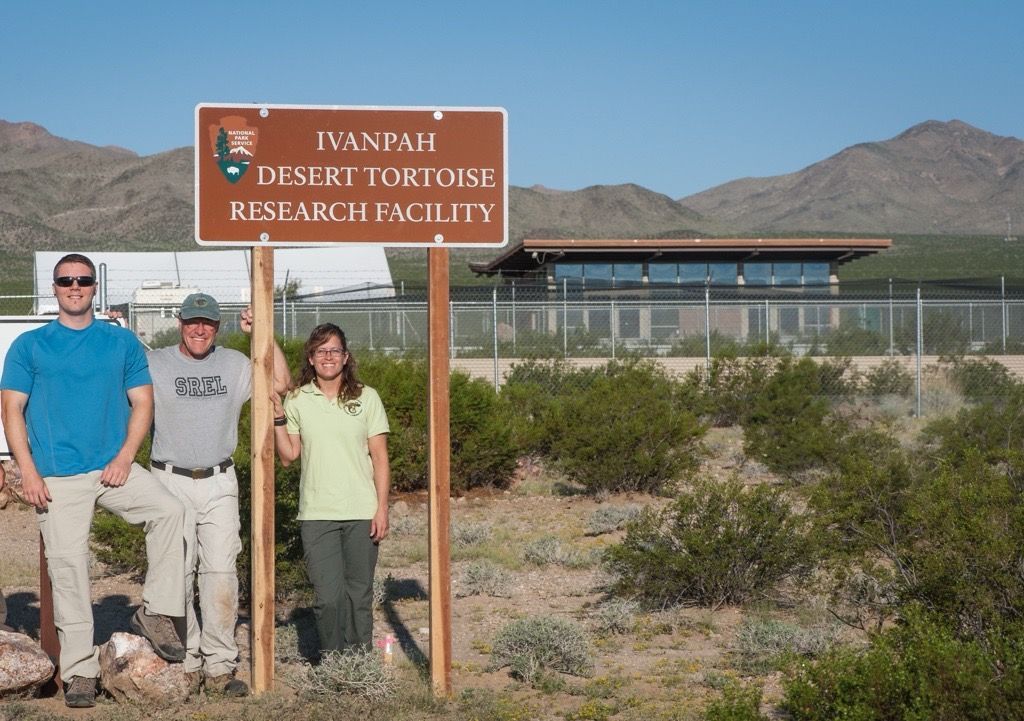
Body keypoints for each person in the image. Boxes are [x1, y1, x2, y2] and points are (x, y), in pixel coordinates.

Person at [0, 253, 186, 709]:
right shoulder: (30, 345)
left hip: (111, 469)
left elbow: (143, 403)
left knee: (170, 511)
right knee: (69, 573)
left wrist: (125, 456)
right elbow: (12, 410)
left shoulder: (118, 342)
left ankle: (156, 611)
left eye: (83, 279)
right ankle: (80, 672)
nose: (75, 286)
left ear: (94, 287)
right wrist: (27, 470)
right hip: (57, 477)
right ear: (55, 287)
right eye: (66, 281)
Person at [146, 293, 289, 697]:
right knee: (178, 572)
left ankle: (220, 666)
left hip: (219, 481)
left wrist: (263, 332)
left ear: (217, 327)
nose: (199, 329)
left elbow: (280, 383)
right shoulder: (155, 363)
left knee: (220, 574)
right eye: (192, 321)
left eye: (207, 323)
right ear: (180, 322)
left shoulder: (233, 364)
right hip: (168, 479)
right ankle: (188, 661)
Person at [272, 323, 390, 655]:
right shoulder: (297, 399)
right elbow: (288, 456)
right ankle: (333, 662)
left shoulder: (367, 397)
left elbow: (380, 458)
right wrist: (278, 420)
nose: (328, 357)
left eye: (335, 350)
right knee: (327, 597)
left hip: (361, 511)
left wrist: (381, 508)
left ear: (345, 357)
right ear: (310, 358)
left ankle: (360, 662)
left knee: (359, 594)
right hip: (317, 513)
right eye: (321, 350)